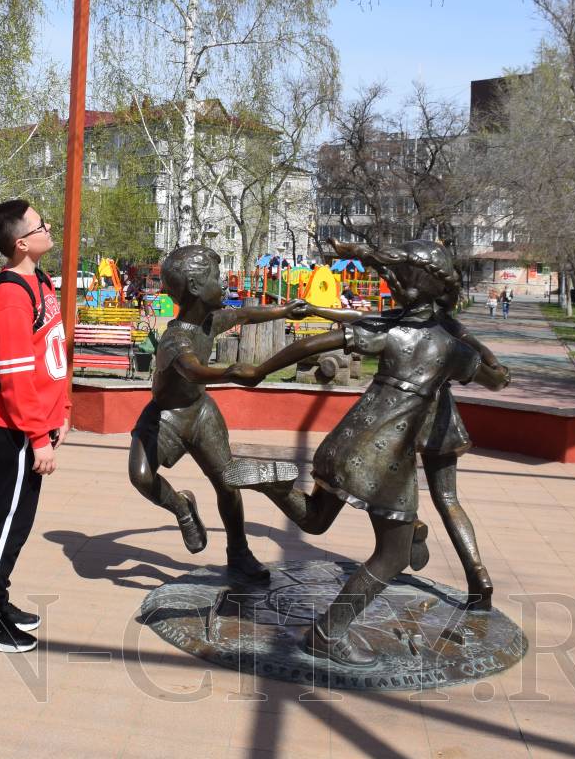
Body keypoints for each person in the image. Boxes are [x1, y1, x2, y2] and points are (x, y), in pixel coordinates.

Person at [222, 240, 511, 665]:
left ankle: (278, 485)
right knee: (392, 555)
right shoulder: (450, 347)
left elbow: (315, 344)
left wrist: (260, 370)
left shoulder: (387, 331)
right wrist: (496, 369)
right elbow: (495, 380)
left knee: (316, 519)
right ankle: (328, 634)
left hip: (346, 440)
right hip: (386, 458)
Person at [127, 244, 310, 581]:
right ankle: (182, 507)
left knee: (227, 482)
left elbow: (245, 315)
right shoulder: (174, 339)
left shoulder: (210, 322)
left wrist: (285, 310)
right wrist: (229, 373)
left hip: (200, 413)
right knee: (141, 476)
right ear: (196, 287)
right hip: (166, 417)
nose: (224, 283)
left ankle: (239, 553)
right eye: (217, 277)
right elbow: (192, 370)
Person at [0, 199, 70, 654]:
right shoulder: (10, 295)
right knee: (7, 520)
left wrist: (62, 410)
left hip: (36, 422)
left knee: (18, 519)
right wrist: (38, 437)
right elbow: (16, 377)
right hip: (16, 427)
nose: (49, 229)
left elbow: (51, 354)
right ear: (21, 243)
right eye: (41, 225)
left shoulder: (39, 281)